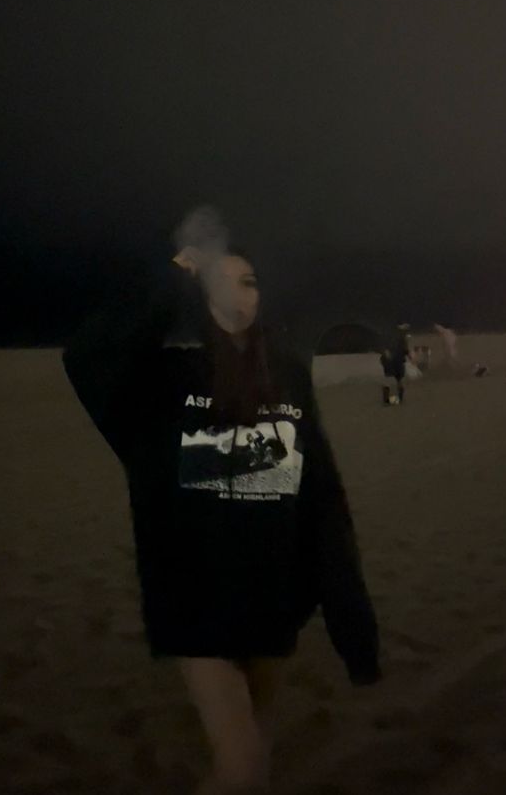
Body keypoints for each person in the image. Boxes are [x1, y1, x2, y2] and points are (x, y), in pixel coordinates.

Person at [61, 221, 380, 794]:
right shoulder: (167, 380)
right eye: (222, 283)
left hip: (274, 604)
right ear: (202, 297)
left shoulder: (286, 375)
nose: (240, 295)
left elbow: (321, 496)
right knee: (244, 769)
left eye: (250, 282)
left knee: (250, 756)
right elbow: (88, 356)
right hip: (196, 607)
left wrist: (351, 622)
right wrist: (172, 276)